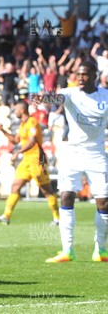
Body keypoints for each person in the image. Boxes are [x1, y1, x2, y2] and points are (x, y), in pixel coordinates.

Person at [46, 61, 108, 263]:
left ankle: (100, 249)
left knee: (103, 202)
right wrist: (45, 97)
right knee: (66, 196)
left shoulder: (105, 96)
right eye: (78, 75)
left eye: (85, 75)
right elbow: (57, 97)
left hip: (96, 154)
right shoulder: (70, 93)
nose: (81, 78)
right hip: (72, 152)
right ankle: (67, 250)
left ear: (95, 75)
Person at [0, 100, 59, 225]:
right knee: (15, 187)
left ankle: (57, 218)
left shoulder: (32, 122)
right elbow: (16, 140)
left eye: (16, 109)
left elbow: (32, 141)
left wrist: (17, 153)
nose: (14, 111)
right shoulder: (22, 124)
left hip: (38, 160)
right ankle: (6, 216)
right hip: (27, 160)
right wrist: (3, 131)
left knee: (47, 191)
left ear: (22, 110)